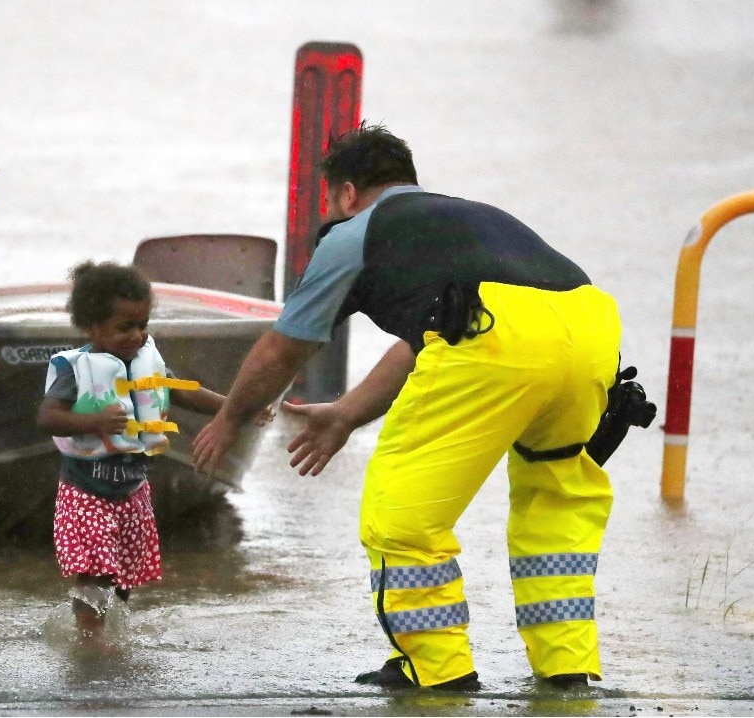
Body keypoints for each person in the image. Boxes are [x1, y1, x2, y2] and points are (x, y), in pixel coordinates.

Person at [192, 123, 622, 691]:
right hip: (592, 328)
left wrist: (229, 417)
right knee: (557, 505)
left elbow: (281, 350)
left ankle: (438, 672)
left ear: (347, 193)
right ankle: (567, 669)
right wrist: (347, 413)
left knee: (400, 517)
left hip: (495, 334)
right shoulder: (469, 218)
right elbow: (430, 335)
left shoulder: (354, 235)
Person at [37, 261, 234, 638]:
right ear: (92, 327)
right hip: (86, 493)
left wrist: (236, 407)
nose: (137, 335)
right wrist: (92, 422)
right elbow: (47, 417)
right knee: (94, 574)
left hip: (131, 492)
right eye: (125, 327)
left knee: (122, 581)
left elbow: (183, 393)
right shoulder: (75, 370)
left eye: (143, 325)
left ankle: (105, 635)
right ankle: (92, 642)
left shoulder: (147, 362)